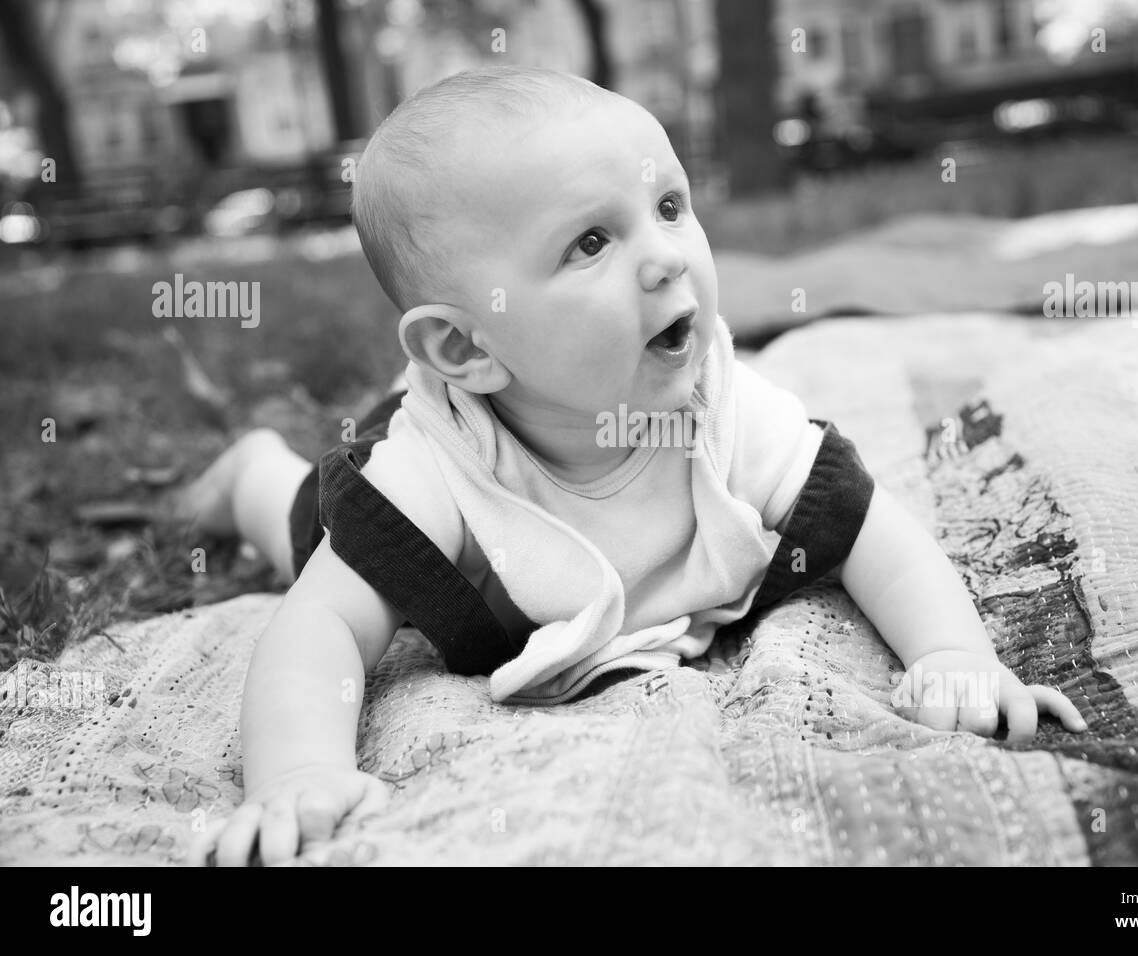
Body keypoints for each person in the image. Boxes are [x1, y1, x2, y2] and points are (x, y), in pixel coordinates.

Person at [181, 66, 1087, 867]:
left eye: (667, 208)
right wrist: (300, 772)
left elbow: (875, 535)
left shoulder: (725, 412)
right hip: (460, 484)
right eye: (590, 242)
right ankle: (251, 471)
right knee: (303, 530)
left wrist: (953, 657)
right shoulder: (429, 475)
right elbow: (321, 631)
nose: (663, 257)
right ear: (464, 343)